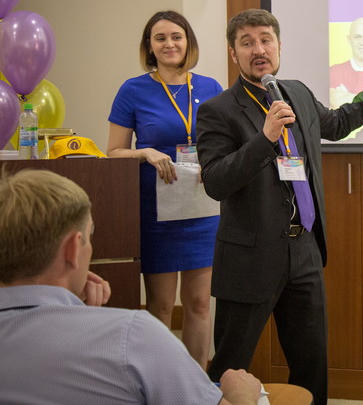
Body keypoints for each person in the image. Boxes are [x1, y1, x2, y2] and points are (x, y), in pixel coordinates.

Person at [196, 8, 363, 404]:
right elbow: (216, 182)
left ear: (278, 46)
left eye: (265, 40)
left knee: (311, 362)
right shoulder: (218, 110)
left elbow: (339, 124)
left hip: (304, 250)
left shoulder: (296, 92)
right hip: (250, 257)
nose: (258, 50)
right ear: (233, 53)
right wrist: (265, 138)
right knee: (229, 365)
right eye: (247, 43)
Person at [0, 168, 262, 405]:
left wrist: (72, 302)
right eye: (90, 235)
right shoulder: (132, 337)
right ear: (72, 248)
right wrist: (241, 395)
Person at [107, 10, 223, 368]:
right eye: (160, 38)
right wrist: (144, 152)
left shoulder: (210, 87)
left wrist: (213, 160)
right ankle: (161, 383)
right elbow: (113, 151)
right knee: (159, 306)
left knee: (199, 304)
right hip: (156, 211)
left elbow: (225, 144)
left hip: (202, 209)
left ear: (188, 42)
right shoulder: (133, 90)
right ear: (150, 46)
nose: (170, 44)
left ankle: (196, 383)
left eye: (177, 36)